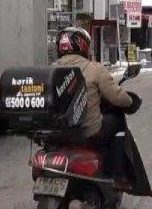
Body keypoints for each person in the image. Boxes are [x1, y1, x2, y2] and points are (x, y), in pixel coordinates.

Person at [54, 27, 135, 186]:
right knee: (117, 120)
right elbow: (117, 97)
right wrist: (131, 101)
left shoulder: (50, 69)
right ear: (83, 46)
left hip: (56, 132)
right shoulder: (95, 69)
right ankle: (118, 175)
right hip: (87, 132)